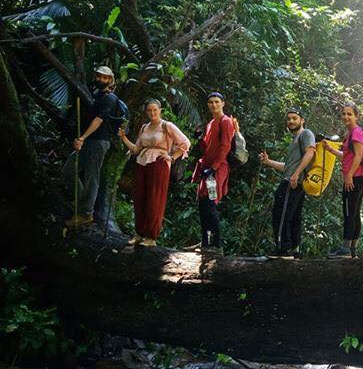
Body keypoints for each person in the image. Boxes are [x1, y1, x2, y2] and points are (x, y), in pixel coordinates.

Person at [117, 99, 191, 246]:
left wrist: (172, 156)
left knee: (155, 197)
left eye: (155, 110)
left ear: (160, 110)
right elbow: (136, 149)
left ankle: (151, 237)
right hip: (142, 162)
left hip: (159, 162)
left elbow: (185, 142)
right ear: (146, 112)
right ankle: (139, 233)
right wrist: (123, 137)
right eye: (149, 110)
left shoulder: (166, 126)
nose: (152, 113)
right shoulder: (144, 127)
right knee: (139, 196)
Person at [65, 66, 119, 227]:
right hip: (89, 141)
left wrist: (82, 137)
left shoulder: (110, 98)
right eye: (99, 77)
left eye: (105, 78)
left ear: (110, 80)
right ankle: (83, 203)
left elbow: (99, 120)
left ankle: (85, 214)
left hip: (99, 141)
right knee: (68, 170)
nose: (101, 80)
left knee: (91, 177)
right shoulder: (96, 94)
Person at [259, 108, 316, 258]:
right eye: (289, 119)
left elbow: (311, 153)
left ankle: (283, 250)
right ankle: (294, 250)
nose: (291, 121)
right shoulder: (295, 140)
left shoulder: (306, 134)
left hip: (293, 182)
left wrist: (296, 174)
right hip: (294, 180)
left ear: (302, 120)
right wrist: (268, 162)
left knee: (281, 214)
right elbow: (288, 167)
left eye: (294, 118)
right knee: (293, 216)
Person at [322, 103, 363, 258]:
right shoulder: (352, 133)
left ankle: (346, 249)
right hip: (358, 177)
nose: (346, 117)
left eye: (349, 114)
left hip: (355, 178)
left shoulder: (356, 132)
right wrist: (330, 150)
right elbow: (347, 155)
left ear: (357, 116)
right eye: (344, 114)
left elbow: (358, 156)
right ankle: (352, 249)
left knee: (349, 212)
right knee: (354, 213)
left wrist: (349, 175)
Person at [191, 92, 236, 253]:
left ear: (223, 103)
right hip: (206, 169)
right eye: (211, 102)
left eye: (217, 101)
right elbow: (207, 148)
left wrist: (214, 167)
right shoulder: (210, 123)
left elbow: (225, 147)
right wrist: (199, 138)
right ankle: (205, 243)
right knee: (203, 204)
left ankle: (217, 245)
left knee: (210, 203)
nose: (214, 105)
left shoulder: (226, 122)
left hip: (215, 170)